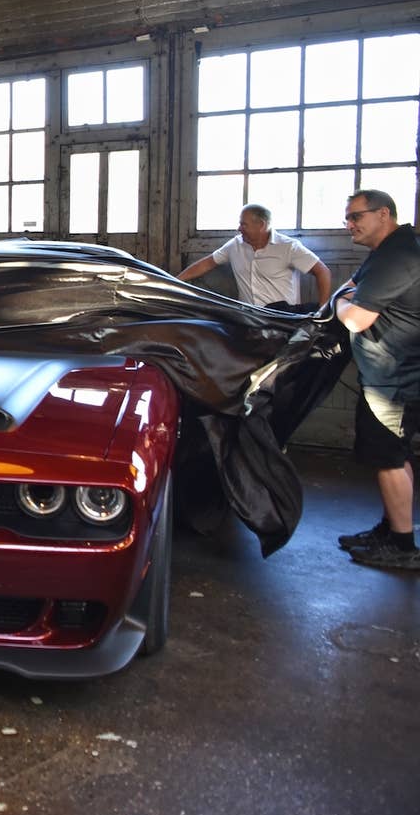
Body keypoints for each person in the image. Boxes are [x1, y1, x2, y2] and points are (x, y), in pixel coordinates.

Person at [333, 189, 420, 571]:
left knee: (388, 457)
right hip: (389, 374)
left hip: (394, 378)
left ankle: (402, 545)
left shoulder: (398, 255)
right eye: (348, 218)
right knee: (393, 456)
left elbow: (354, 316)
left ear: (384, 213)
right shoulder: (390, 252)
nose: (350, 224)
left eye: (356, 216)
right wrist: (347, 297)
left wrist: (339, 304)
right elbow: (352, 289)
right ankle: (390, 529)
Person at [177, 204, 332, 311]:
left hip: (282, 318)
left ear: (262, 225)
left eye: (244, 225)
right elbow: (207, 263)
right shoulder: (235, 245)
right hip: (247, 318)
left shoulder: (289, 247)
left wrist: (323, 309)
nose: (239, 229)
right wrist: (175, 282)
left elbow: (322, 271)